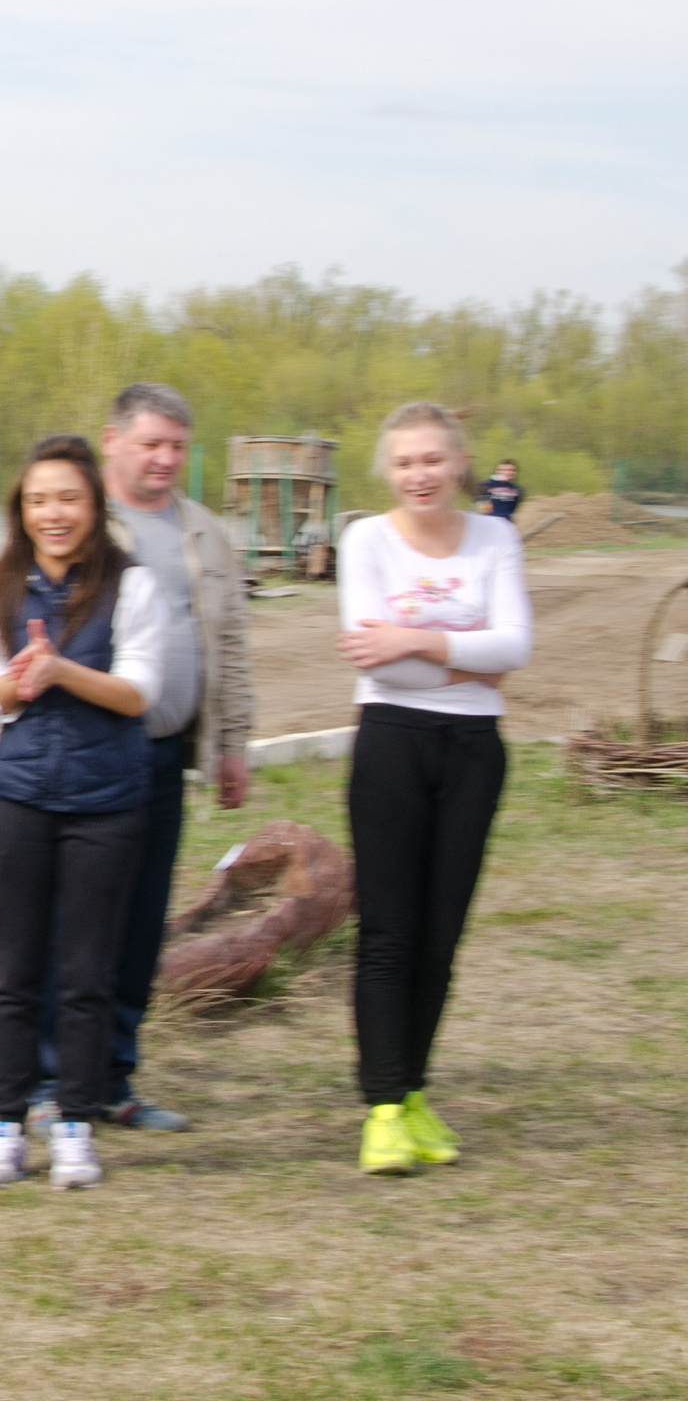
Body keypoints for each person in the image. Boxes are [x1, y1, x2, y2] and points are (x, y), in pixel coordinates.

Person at [52, 381, 255, 1133]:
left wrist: (232, 745)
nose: (166, 459)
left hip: (164, 757)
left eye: (177, 446)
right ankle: (50, 1082)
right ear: (112, 440)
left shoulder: (203, 532)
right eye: (151, 444)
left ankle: (113, 1079)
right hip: (88, 757)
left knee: (141, 925)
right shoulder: (75, 520)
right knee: (77, 922)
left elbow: (229, 642)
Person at [0, 435, 164, 1192]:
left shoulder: (132, 586)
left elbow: (139, 692)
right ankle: (5, 1124)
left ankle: (76, 1124)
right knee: (16, 971)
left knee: (86, 974)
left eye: (69, 498)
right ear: (21, 509)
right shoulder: (0, 584)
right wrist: (19, 680)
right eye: (39, 500)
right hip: (19, 799)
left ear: (95, 506)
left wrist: (60, 670)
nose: (53, 513)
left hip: (106, 804)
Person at [335, 401, 530, 1176]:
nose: (420, 475)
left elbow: (516, 645)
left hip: (474, 751)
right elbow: (376, 665)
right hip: (392, 743)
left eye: (433, 460)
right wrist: (471, 660)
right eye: (405, 462)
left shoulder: (495, 538)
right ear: (388, 470)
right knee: (389, 932)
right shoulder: (366, 541)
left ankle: (414, 1090)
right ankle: (382, 1108)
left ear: (460, 464)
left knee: (442, 935)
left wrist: (414, 637)